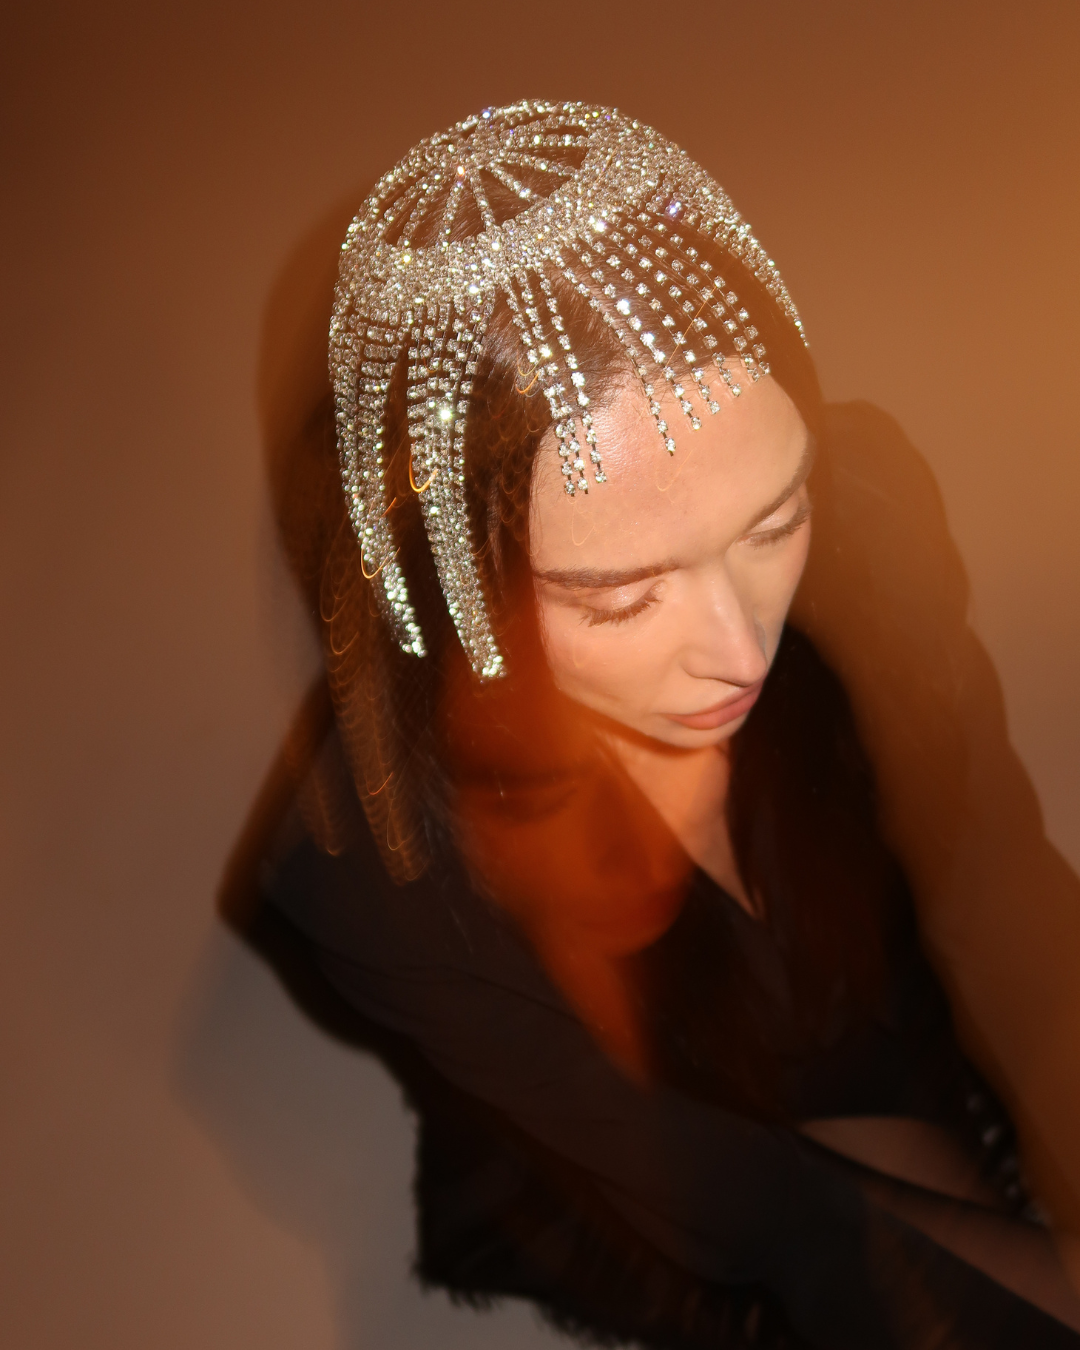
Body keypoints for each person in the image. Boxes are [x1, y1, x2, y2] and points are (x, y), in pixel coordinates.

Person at [230, 101, 1080, 1347]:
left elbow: (1007, 912)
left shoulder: (877, 534)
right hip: (669, 1175)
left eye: (774, 523)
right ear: (463, 599)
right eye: (622, 596)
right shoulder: (375, 878)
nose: (745, 651)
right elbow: (751, 1215)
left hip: (867, 1015)